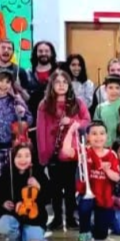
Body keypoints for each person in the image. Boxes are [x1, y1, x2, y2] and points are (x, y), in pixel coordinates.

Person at [36, 69, 90, 230]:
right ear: (51, 85)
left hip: (72, 154)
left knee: (71, 187)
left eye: (64, 82)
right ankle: (58, 218)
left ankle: (71, 218)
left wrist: (72, 121)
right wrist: (43, 156)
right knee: (55, 188)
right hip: (53, 153)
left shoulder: (77, 103)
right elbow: (41, 131)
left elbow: (86, 121)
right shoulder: (44, 105)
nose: (61, 85)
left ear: (69, 84)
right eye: (57, 82)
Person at [0, 143, 49, 241]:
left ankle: (31, 238)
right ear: (13, 158)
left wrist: (39, 187)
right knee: (1, 225)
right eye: (19, 156)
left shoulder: (38, 173)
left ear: (32, 157)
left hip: (34, 220)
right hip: (14, 217)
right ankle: (16, 237)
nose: (23, 160)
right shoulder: (7, 173)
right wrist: (3, 203)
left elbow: (48, 197)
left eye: (27, 155)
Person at [75, 121, 120, 241]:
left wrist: (107, 170)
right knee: (85, 204)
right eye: (94, 134)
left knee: (101, 236)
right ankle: (84, 231)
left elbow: (117, 177)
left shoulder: (112, 154)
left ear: (106, 136)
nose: (98, 137)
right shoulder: (84, 151)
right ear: (87, 137)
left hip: (104, 197)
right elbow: (66, 152)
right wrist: (71, 130)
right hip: (87, 193)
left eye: (102, 133)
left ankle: (93, 225)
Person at [0, 69, 32, 178]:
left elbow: (29, 120)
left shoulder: (15, 100)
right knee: (0, 179)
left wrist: (22, 113)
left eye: (7, 82)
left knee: (15, 177)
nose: (4, 85)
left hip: (14, 147)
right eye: (0, 80)